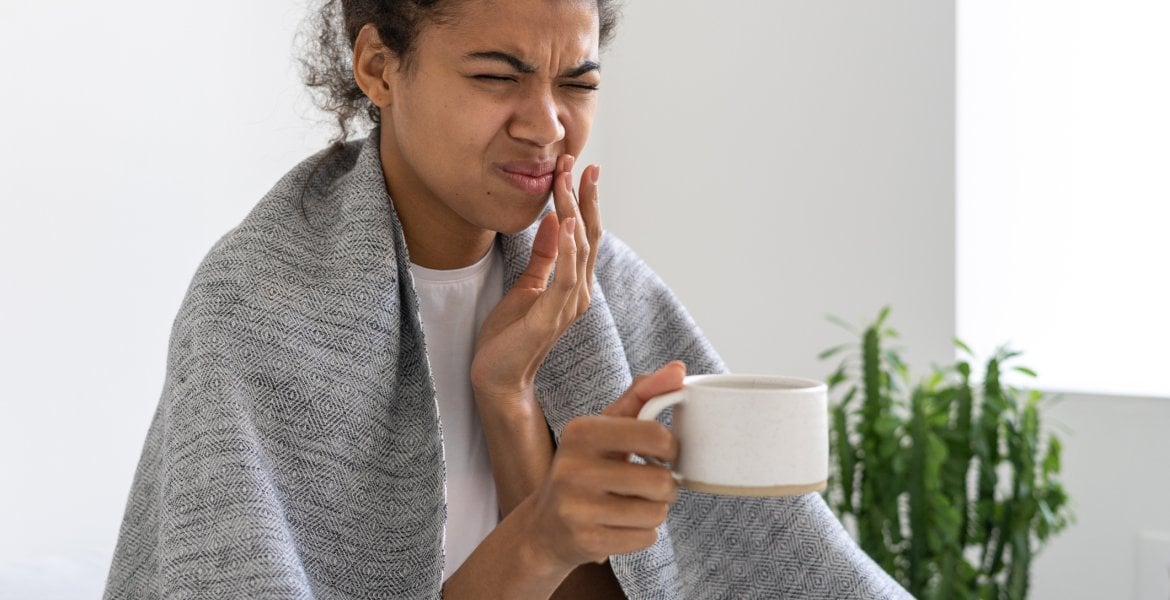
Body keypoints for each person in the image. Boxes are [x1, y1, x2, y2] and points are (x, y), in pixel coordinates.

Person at [104, 0, 909, 598]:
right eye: (497, 77)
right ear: (379, 68)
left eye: (578, 82)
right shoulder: (257, 304)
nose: (549, 125)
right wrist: (545, 530)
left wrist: (511, 399)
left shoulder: (601, 289)